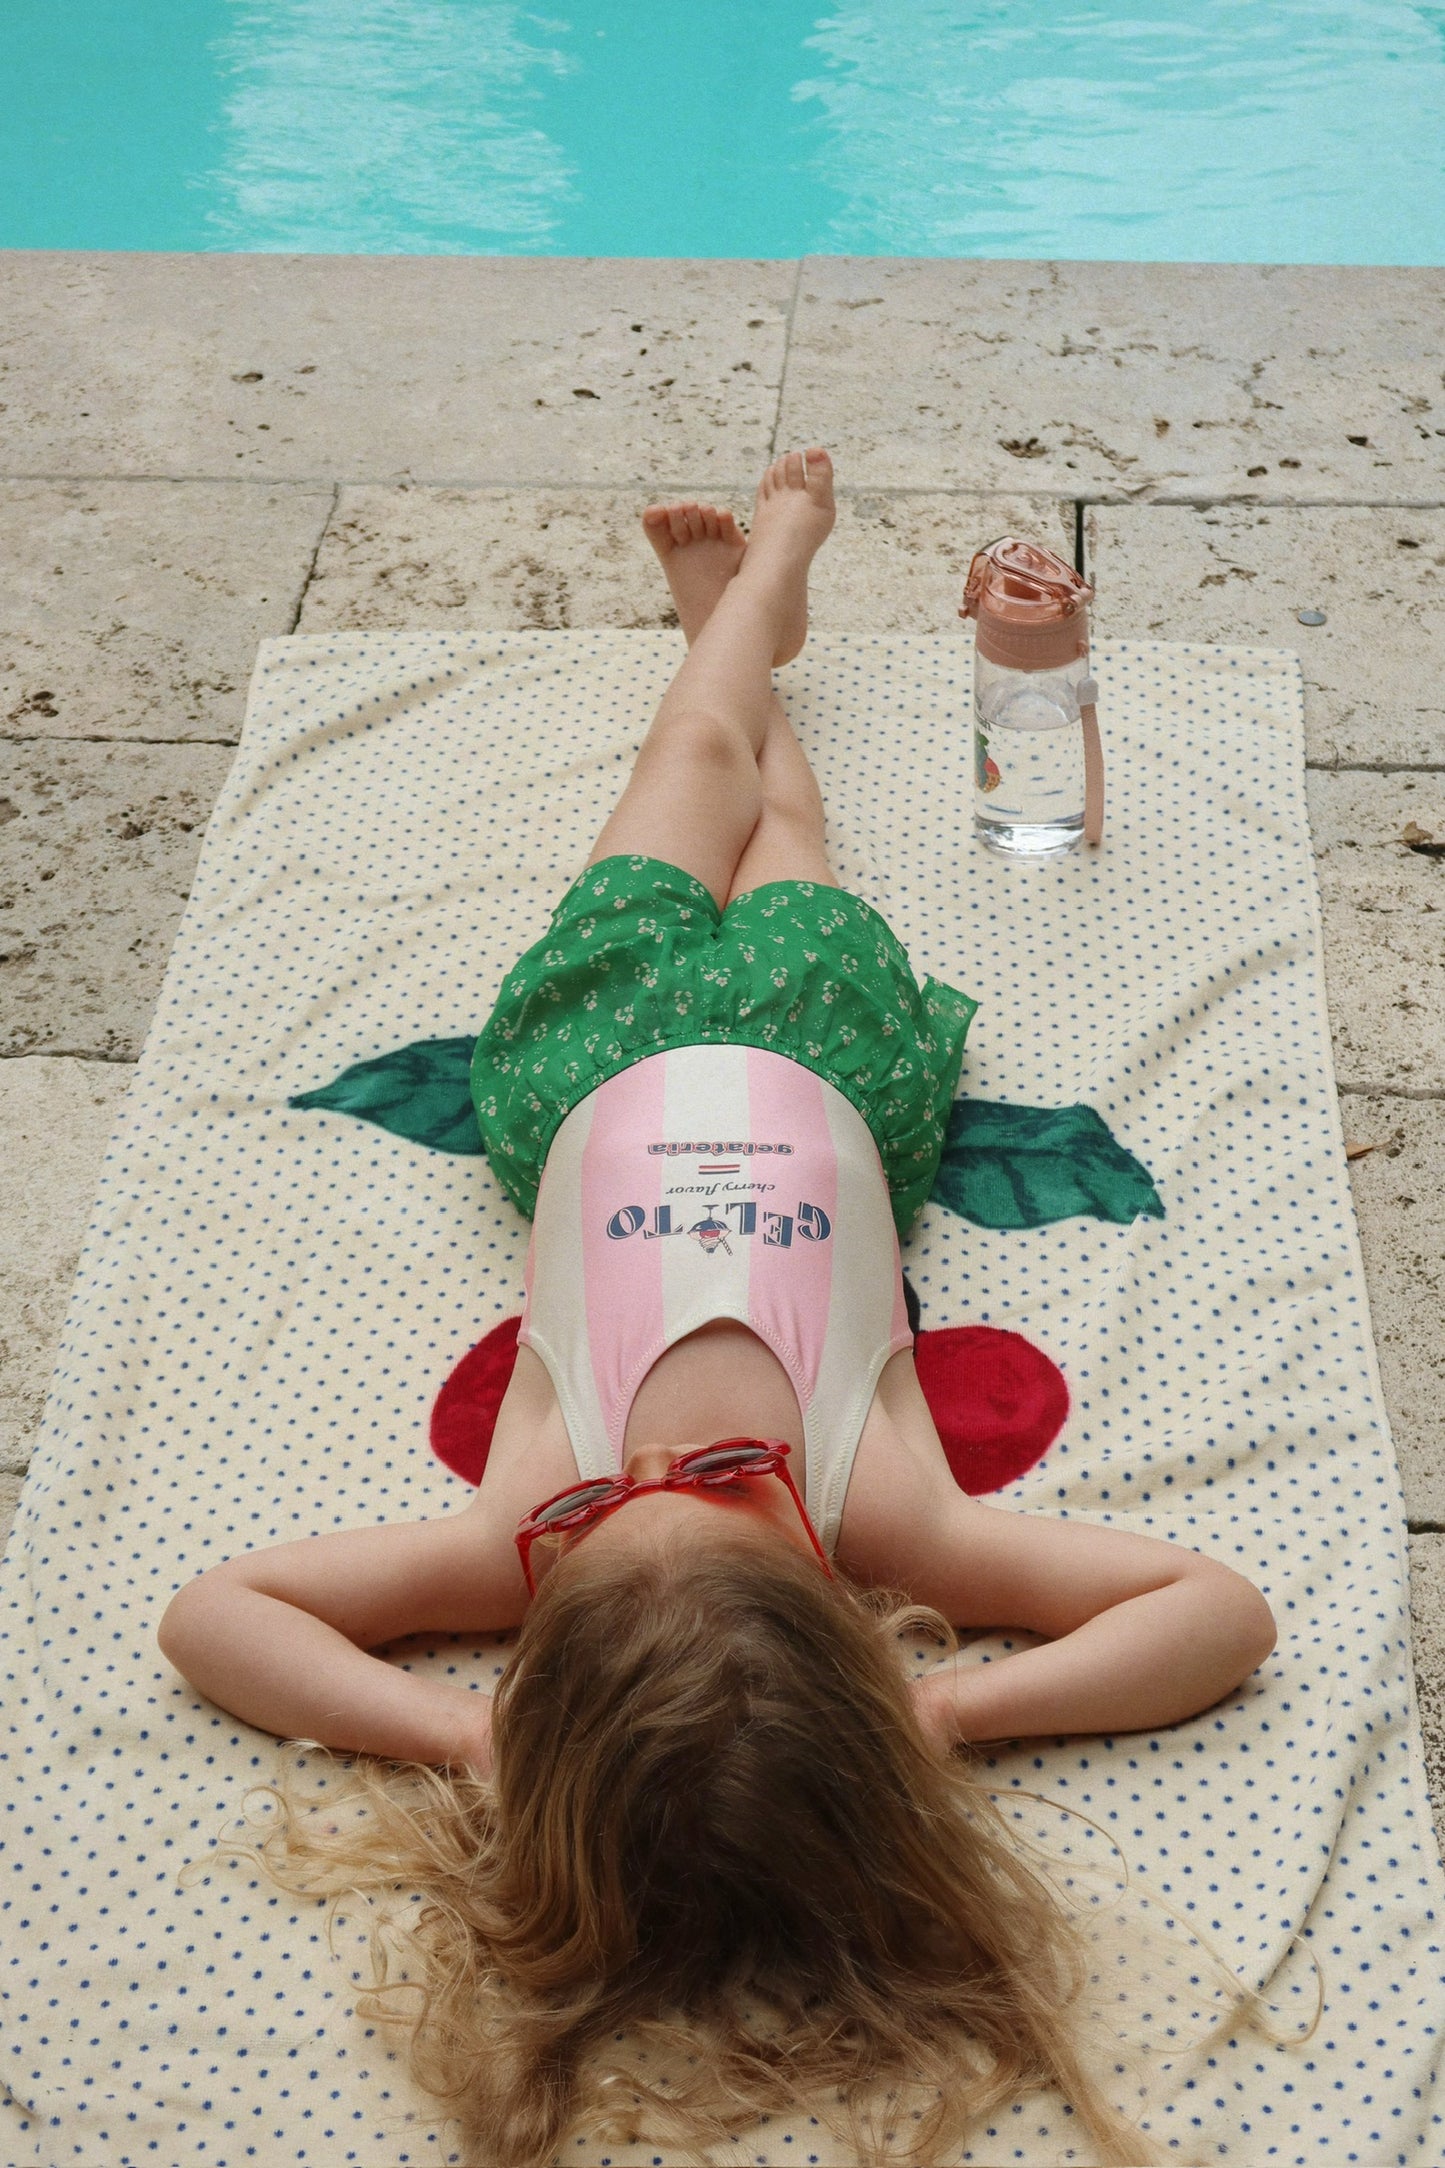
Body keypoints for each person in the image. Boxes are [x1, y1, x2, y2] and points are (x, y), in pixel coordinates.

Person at [159, 450, 1277, 2168]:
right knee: (788, 833)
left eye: (636, 1507)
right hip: (830, 1065)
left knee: (686, 770)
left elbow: (212, 1614)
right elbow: (1218, 1611)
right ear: (844, 1630)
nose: (676, 1474)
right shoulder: (890, 1520)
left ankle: (742, 622)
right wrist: (952, 1717)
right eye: (728, 1503)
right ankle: (754, 603)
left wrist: (472, 1740)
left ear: (544, 1648)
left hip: (586, 1068)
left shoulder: (512, 1536)